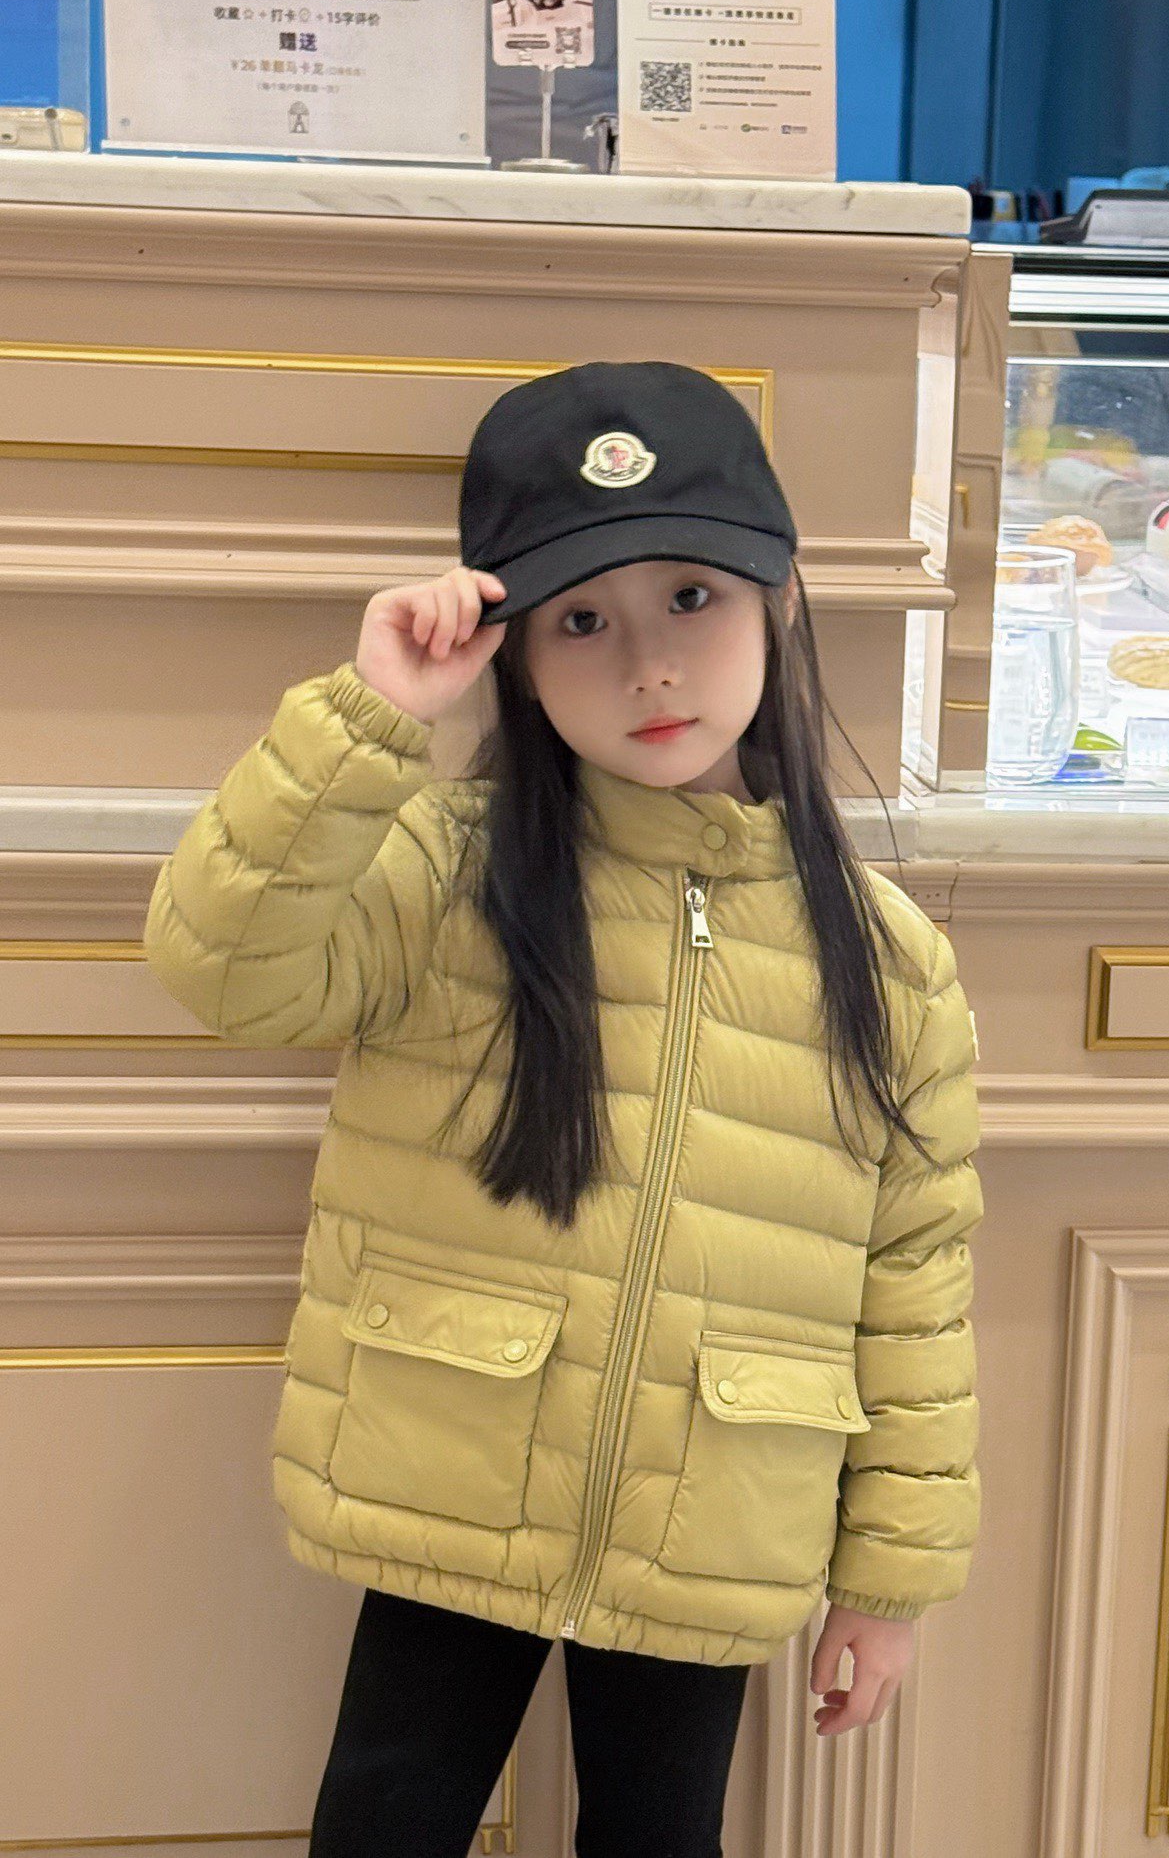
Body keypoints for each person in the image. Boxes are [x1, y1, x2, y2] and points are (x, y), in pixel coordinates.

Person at [143, 360, 983, 1857]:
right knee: (384, 1825)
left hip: (716, 1508)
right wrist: (371, 715)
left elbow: (915, 1284)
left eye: (691, 598)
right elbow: (226, 968)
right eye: (581, 621)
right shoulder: (441, 870)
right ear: (515, 656)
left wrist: (890, 1583)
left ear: (780, 602)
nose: (650, 667)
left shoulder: (891, 967)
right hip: (448, 1472)